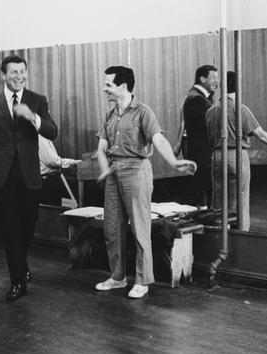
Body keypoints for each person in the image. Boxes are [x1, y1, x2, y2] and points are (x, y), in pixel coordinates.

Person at [94, 66, 196, 299]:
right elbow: (101, 148)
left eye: (108, 85)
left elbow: (158, 139)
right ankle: (117, 277)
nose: (104, 89)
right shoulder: (109, 115)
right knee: (112, 229)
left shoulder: (143, 112)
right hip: (113, 173)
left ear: (123, 86)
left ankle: (142, 280)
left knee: (139, 229)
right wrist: (105, 170)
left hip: (136, 171)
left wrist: (174, 162)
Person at [0, 55, 58, 302]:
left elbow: (52, 131)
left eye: (23, 71)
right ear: (3, 75)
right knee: (10, 228)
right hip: (2, 175)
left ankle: (21, 263)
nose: (19, 76)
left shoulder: (37, 100)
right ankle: (17, 280)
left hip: (30, 174)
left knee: (28, 225)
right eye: (14, 72)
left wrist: (32, 117)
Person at [205, 71, 267, 232]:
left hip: (217, 157)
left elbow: (210, 139)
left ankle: (219, 238)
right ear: (239, 86)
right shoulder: (241, 109)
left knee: (219, 202)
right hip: (236, 156)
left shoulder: (211, 111)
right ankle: (241, 235)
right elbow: (261, 135)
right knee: (240, 200)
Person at [173, 65, 219, 206]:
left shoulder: (198, 97)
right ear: (202, 79)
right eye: (213, 78)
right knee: (203, 189)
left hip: (201, 153)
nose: (217, 81)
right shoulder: (197, 99)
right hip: (202, 153)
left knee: (202, 188)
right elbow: (209, 125)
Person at [38, 134, 81, 205]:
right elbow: (53, 161)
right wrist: (73, 162)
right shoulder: (41, 138)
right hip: (48, 181)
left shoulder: (41, 137)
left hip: (47, 180)